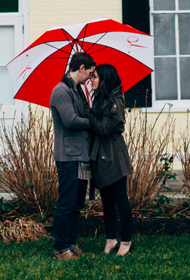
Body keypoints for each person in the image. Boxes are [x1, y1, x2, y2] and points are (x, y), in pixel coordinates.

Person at [50, 51, 96, 260]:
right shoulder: (61, 91)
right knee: (66, 203)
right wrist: (92, 123)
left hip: (81, 156)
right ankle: (60, 248)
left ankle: (70, 243)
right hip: (68, 157)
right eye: (90, 72)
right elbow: (70, 121)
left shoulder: (76, 90)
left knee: (77, 203)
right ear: (81, 68)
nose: (90, 77)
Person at [88, 63, 134, 256]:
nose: (91, 79)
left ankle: (126, 240)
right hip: (101, 155)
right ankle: (111, 239)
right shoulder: (101, 98)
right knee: (106, 201)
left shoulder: (114, 101)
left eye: (95, 77)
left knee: (120, 199)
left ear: (105, 79)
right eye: (90, 76)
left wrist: (89, 112)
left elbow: (104, 128)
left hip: (114, 155)